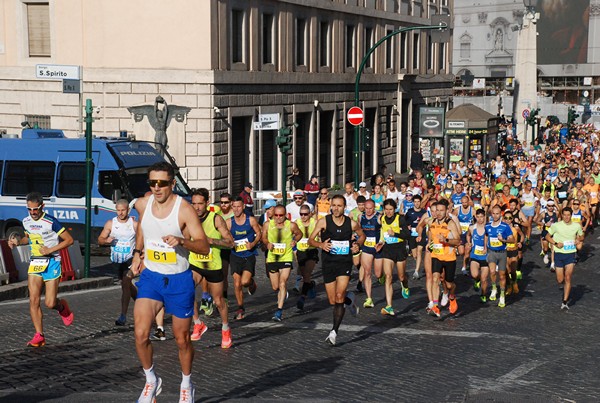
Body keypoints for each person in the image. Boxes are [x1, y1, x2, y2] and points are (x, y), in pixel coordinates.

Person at [130, 162, 210, 403]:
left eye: (162, 183)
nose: (156, 187)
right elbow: (143, 225)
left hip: (179, 280)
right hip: (152, 277)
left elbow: (204, 246)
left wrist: (182, 241)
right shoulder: (143, 204)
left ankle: (187, 384)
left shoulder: (183, 209)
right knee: (141, 333)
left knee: (182, 338)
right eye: (152, 183)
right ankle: (151, 380)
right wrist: (137, 252)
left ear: (172, 184)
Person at [8, 191, 75, 347]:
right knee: (33, 300)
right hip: (36, 262)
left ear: (42, 206)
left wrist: (51, 250)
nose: (33, 213)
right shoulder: (26, 221)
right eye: (29, 209)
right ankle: (39, 335)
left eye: (35, 209)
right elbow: (28, 238)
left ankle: (61, 306)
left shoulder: (51, 222)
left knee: (50, 303)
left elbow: (69, 240)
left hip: (52, 262)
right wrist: (18, 241)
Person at [309, 194, 364, 346]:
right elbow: (310, 240)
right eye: (334, 205)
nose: (336, 208)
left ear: (344, 207)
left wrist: (357, 245)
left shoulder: (351, 223)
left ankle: (334, 332)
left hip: (344, 263)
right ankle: (350, 300)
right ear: (330, 206)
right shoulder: (323, 222)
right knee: (333, 300)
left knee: (339, 295)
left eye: (339, 206)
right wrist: (321, 245)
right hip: (328, 264)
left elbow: (362, 236)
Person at [188, 188, 235, 348]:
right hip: (195, 262)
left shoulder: (216, 219)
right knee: (187, 291)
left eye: (200, 204)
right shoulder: (190, 219)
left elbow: (230, 242)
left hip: (213, 265)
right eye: (194, 204)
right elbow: (185, 239)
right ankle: (198, 323)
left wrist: (210, 241)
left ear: (207, 203)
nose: (197, 207)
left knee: (218, 301)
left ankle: (225, 328)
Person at [97, 198, 138, 326]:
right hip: (117, 260)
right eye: (118, 210)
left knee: (126, 283)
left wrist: (141, 254)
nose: (120, 213)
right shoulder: (111, 223)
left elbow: (143, 238)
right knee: (127, 286)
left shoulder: (134, 224)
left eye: (123, 210)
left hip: (130, 259)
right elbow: (100, 239)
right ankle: (143, 302)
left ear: (128, 210)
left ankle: (123, 316)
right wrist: (106, 241)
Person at [262, 204, 303, 321]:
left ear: (285, 215)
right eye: (276, 215)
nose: (278, 218)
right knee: (275, 287)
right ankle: (283, 293)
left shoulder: (291, 225)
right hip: (272, 258)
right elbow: (263, 237)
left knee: (282, 283)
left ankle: (279, 311)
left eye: (281, 215)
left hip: (286, 257)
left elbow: (299, 234)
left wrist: (295, 241)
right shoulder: (267, 224)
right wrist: (267, 243)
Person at [227, 196, 262, 320]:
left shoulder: (250, 220)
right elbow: (225, 237)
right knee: (237, 283)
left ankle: (252, 283)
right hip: (235, 255)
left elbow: (259, 233)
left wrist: (253, 244)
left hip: (249, 255)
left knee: (244, 282)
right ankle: (240, 307)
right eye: (234, 207)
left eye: (238, 206)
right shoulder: (229, 222)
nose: (236, 209)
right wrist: (229, 242)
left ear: (243, 207)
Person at [427, 199, 461, 317]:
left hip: (449, 257)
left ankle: (452, 296)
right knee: (435, 278)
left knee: (449, 284)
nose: (439, 213)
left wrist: (446, 240)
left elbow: (458, 241)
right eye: (437, 210)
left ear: (446, 211)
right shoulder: (431, 222)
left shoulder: (450, 223)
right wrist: (429, 244)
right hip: (436, 255)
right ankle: (435, 306)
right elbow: (431, 237)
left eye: (442, 210)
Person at [546, 207, 584, 310]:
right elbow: (547, 236)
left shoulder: (576, 226)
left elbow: (581, 236)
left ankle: (565, 301)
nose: (566, 217)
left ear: (571, 215)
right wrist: (555, 243)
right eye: (564, 215)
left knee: (568, 277)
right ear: (561, 215)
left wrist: (578, 240)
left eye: (568, 215)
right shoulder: (556, 226)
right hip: (559, 254)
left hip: (570, 254)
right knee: (560, 280)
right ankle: (564, 286)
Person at [379, 198, 411, 316]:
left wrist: (395, 234)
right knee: (388, 277)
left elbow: (407, 235)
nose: (388, 212)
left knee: (402, 276)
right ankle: (389, 306)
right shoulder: (382, 218)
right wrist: (381, 242)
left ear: (395, 209)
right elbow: (383, 233)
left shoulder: (400, 219)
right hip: (388, 250)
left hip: (400, 250)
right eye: (386, 209)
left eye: (391, 209)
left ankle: (405, 285)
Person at [485, 205, 515, 308]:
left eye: (497, 213)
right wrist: (485, 247)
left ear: (500, 214)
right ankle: (494, 288)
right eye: (493, 213)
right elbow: (486, 235)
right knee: (492, 272)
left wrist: (504, 240)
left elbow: (512, 239)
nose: (495, 215)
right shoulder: (488, 226)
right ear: (491, 214)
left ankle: (502, 295)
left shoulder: (505, 226)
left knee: (502, 275)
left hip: (502, 253)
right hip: (491, 251)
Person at [359, 199, 383, 309]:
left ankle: (381, 277)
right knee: (367, 272)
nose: (368, 210)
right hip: (366, 248)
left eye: (370, 208)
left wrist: (381, 242)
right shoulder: (361, 217)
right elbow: (358, 230)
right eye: (366, 208)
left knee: (377, 274)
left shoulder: (378, 217)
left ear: (374, 208)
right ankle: (369, 298)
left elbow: (384, 230)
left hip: (378, 248)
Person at [295, 204, 319, 310]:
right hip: (301, 251)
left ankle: (302, 297)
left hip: (312, 250)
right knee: (304, 275)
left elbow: (322, 232)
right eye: (301, 214)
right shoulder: (296, 223)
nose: (303, 216)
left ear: (310, 214)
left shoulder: (315, 222)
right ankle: (311, 285)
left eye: (305, 214)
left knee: (307, 273)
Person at [467, 208, 490, 303]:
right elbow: (468, 235)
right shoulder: (472, 228)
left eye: (482, 217)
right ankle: (477, 280)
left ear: (485, 217)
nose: (480, 219)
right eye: (478, 217)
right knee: (475, 274)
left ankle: (483, 295)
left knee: (484, 279)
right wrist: (469, 243)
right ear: (475, 217)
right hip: (475, 256)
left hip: (486, 257)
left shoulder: (488, 228)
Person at [217, 192, 234, 301]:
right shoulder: (217, 214)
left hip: (235, 248)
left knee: (239, 277)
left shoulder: (235, 213)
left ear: (231, 203)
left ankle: (250, 283)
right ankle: (224, 297)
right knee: (223, 274)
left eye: (226, 202)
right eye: (221, 202)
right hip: (223, 249)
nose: (223, 204)